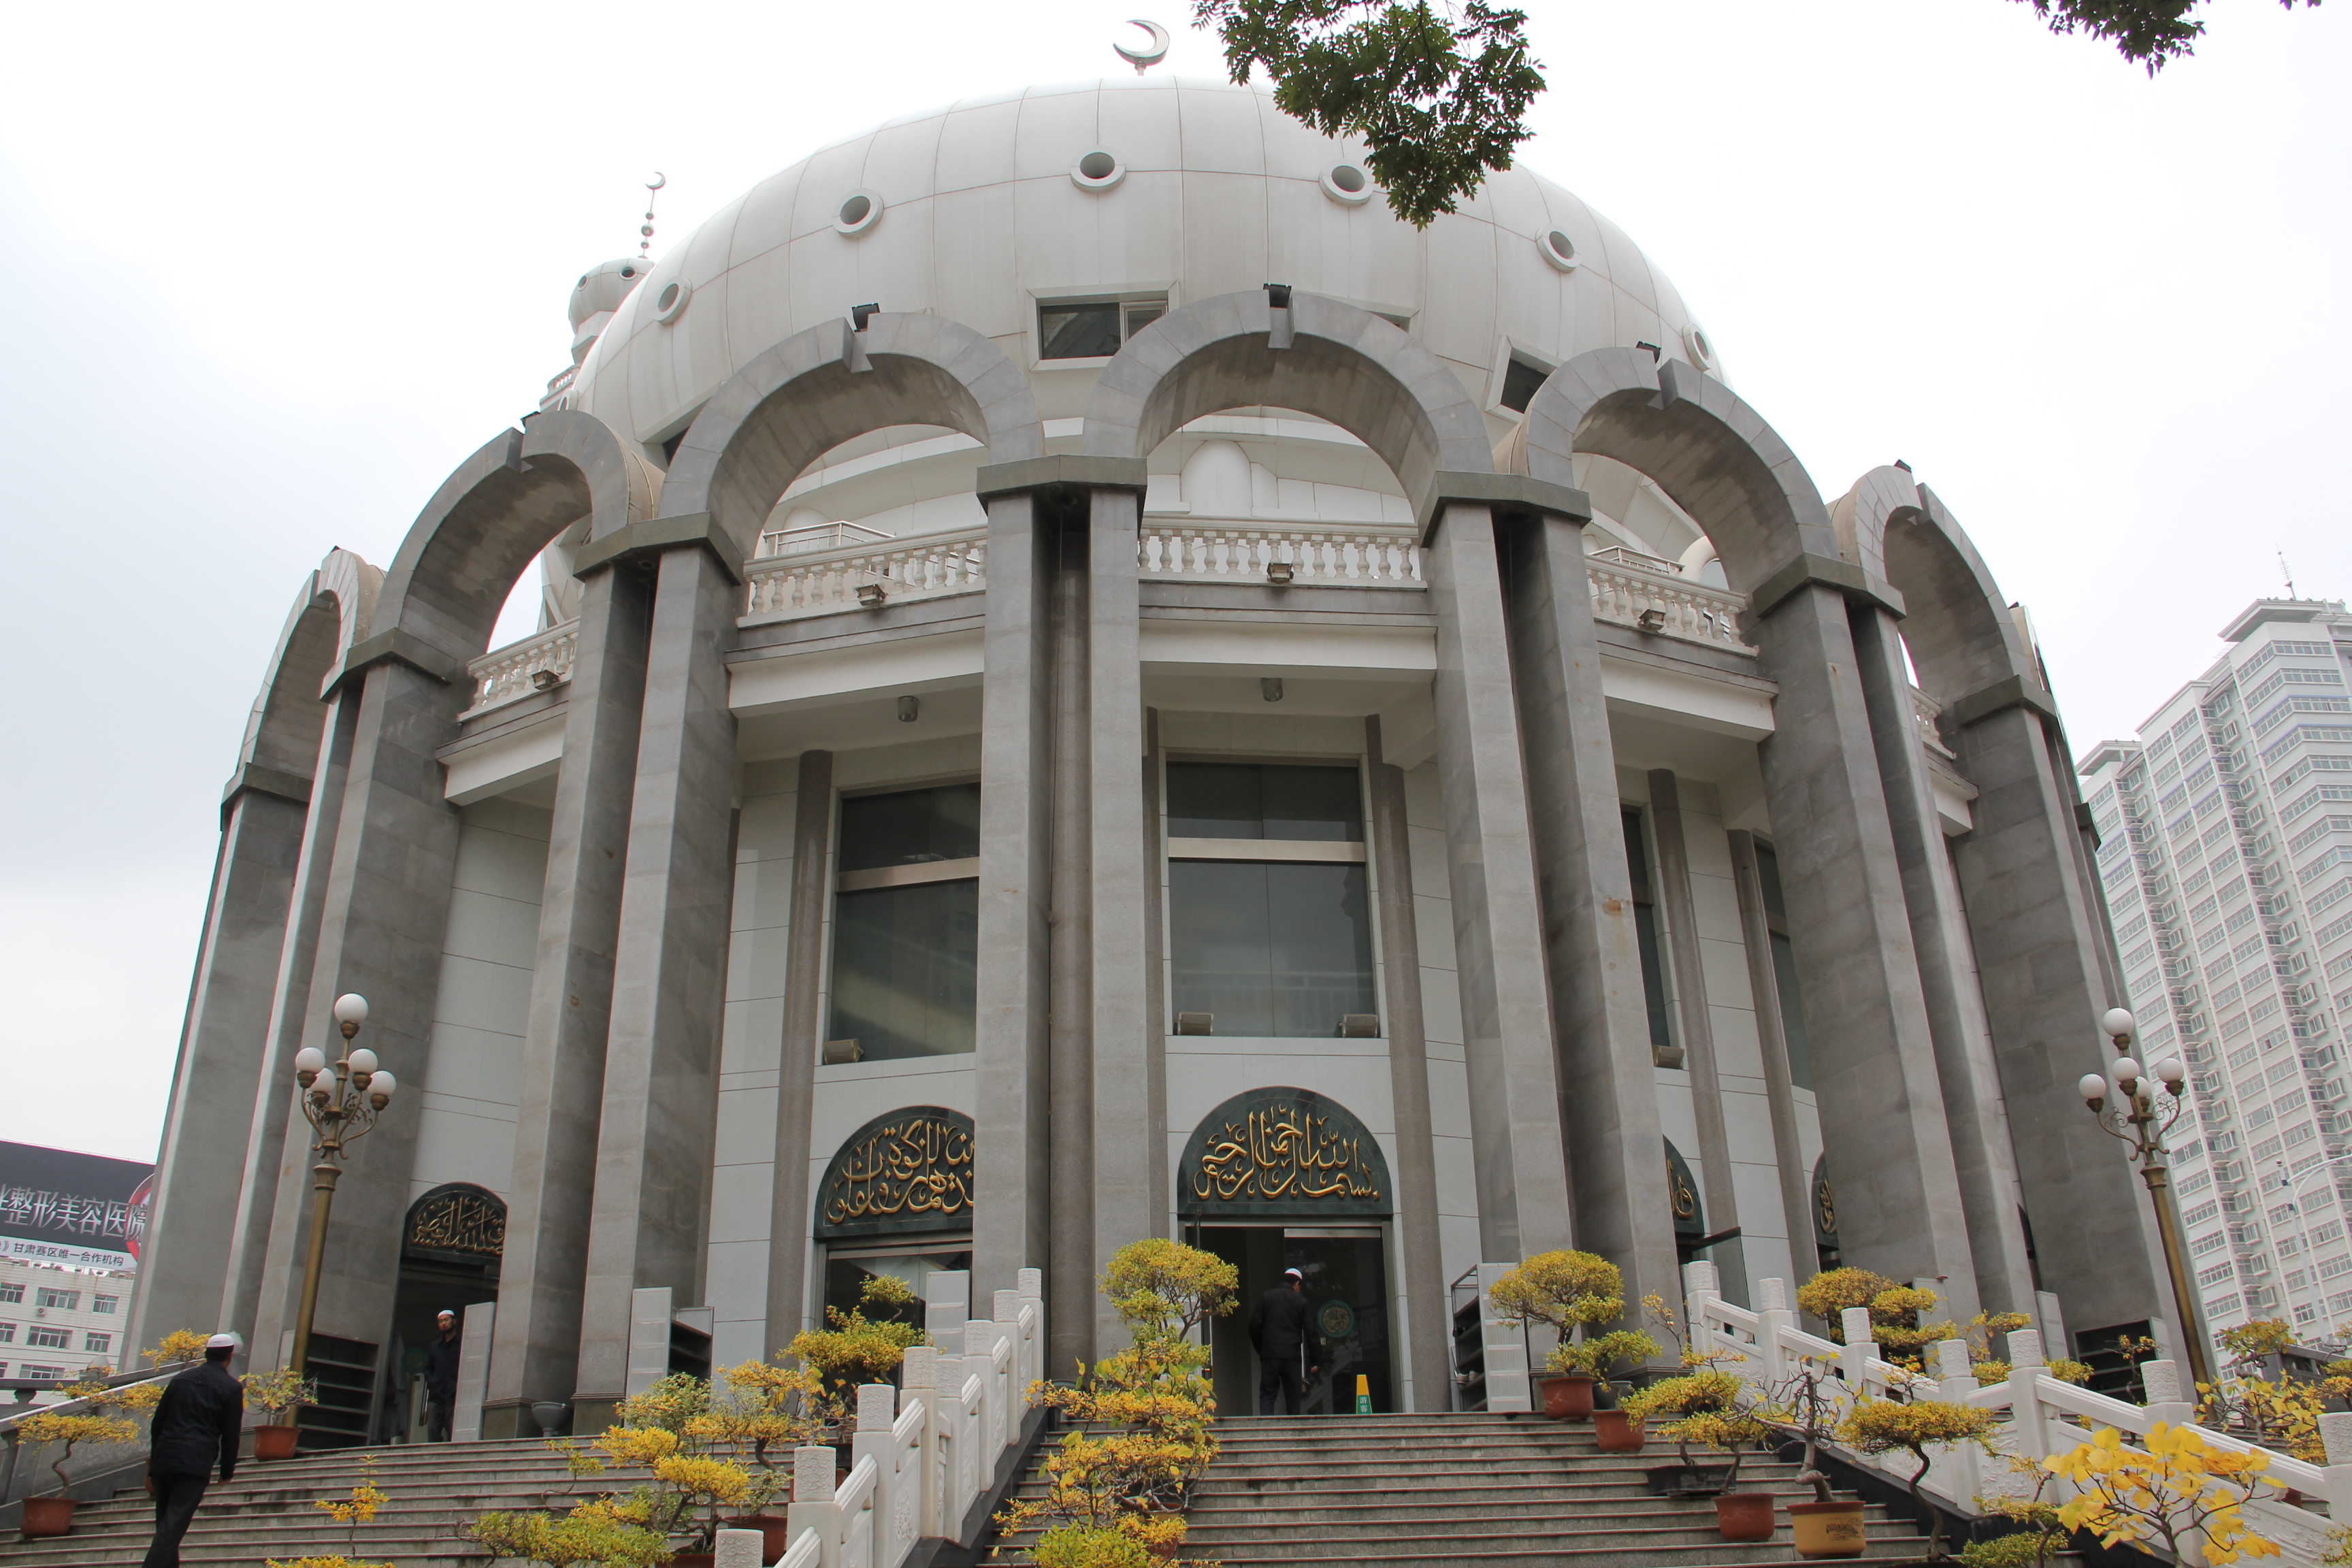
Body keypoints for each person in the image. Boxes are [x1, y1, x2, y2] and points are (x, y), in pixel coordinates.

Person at [142, 1332, 244, 1568]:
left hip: (165, 1458)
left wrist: (155, 1458)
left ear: (206, 1353)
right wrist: (227, 1471)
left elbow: (158, 1422)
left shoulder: (180, 1380)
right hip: (196, 1461)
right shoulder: (231, 1388)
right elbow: (231, 1433)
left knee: (166, 1524)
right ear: (229, 1356)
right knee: (174, 1524)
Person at [1246, 1266, 1322, 1416]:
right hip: (1292, 1356)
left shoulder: (1266, 1297)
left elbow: (1254, 1327)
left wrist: (1262, 1349)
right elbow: (1311, 1332)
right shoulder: (1301, 1302)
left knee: (1268, 1395)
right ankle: (1293, 1435)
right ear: (1297, 1284)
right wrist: (1315, 1360)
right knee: (1293, 1398)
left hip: (1270, 1355)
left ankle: (1267, 1432)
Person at [424, 1309, 461, 1441]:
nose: (444, 1324)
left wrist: (457, 1386)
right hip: (436, 1395)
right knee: (433, 1429)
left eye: (446, 1320)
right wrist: (433, 1383)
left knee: (453, 1430)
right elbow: (428, 1369)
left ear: (454, 1321)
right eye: (441, 1321)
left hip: (454, 1395)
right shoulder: (435, 1346)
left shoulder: (462, 1344)